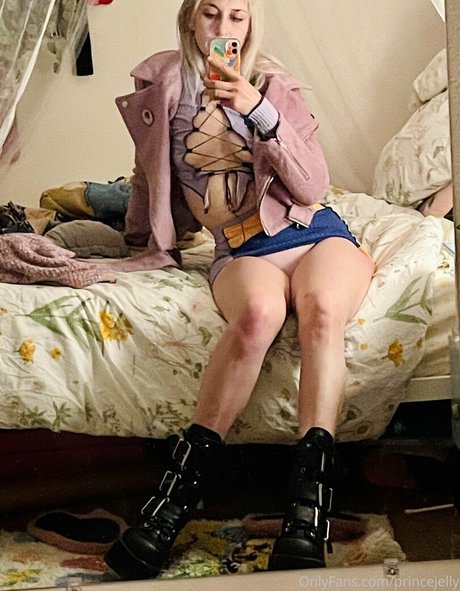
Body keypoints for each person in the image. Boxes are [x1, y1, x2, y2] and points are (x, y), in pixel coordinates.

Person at [105, 0, 375, 580]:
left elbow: (312, 186)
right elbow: (146, 175)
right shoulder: (163, 88)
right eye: (211, 14)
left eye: (237, 16)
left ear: (251, 25)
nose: (223, 29)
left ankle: (307, 514)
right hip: (241, 248)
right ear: (189, 19)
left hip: (313, 232)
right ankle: (172, 503)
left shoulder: (273, 85)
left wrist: (259, 111)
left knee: (321, 310)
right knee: (256, 316)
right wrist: (139, 243)